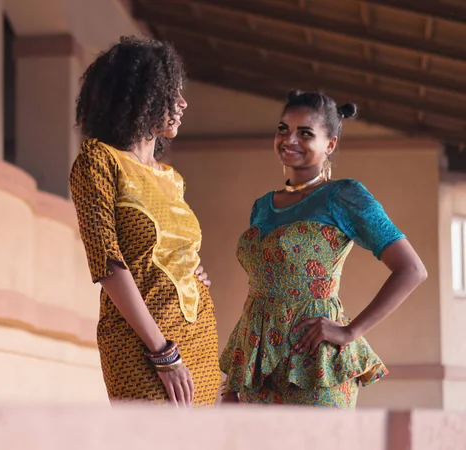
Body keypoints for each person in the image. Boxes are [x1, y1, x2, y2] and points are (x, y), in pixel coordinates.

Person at [219, 90, 427, 408]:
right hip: (257, 367)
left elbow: (412, 270)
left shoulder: (344, 195)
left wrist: (350, 331)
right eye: (283, 129)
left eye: (305, 133)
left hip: (313, 363)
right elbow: (259, 290)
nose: (289, 140)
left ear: (329, 144)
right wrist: (234, 380)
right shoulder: (262, 206)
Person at [69, 36, 220, 406]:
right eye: (172, 93)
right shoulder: (98, 161)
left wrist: (192, 268)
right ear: (140, 94)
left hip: (198, 338)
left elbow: (170, 248)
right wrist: (162, 352)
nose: (183, 103)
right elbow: (107, 263)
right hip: (142, 345)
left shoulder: (171, 177)